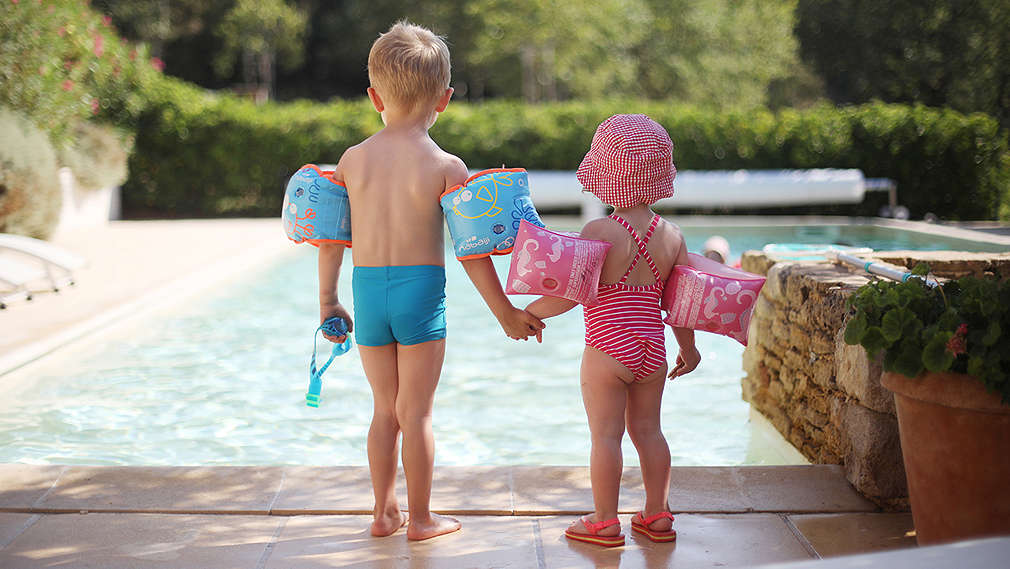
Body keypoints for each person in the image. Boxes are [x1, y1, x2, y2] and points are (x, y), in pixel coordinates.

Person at [317, 20, 544, 541]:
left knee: (383, 411)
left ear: (374, 95)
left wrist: (329, 301)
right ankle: (421, 520)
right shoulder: (446, 164)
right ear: (444, 100)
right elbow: (473, 253)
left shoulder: (353, 160)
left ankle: (383, 513)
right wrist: (505, 311)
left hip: (368, 291)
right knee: (415, 413)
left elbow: (332, 240)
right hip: (420, 293)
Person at [525, 114, 701, 547]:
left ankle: (604, 520)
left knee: (606, 435)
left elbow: (571, 293)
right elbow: (677, 304)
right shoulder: (672, 236)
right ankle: (657, 514)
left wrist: (529, 312)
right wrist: (689, 349)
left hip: (608, 348)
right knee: (649, 431)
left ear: (606, 173)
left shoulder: (601, 230)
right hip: (652, 350)